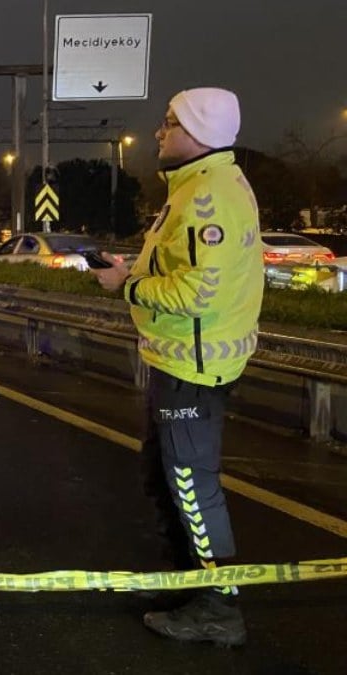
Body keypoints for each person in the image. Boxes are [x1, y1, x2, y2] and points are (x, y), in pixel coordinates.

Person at [91, 88, 261, 647]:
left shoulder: (206, 197)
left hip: (194, 362)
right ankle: (185, 581)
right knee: (163, 473)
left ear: (198, 132)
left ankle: (218, 605)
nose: (160, 132)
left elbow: (197, 292)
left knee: (190, 483)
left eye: (169, 123)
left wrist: (126, 284)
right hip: (180, 356)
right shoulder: (197, 186)